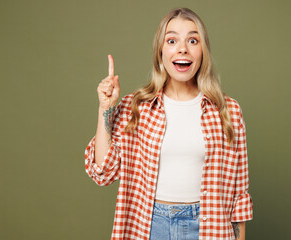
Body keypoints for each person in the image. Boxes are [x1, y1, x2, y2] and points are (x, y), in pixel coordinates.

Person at [85, 7, 253, 240]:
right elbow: (102, 171)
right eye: (172, 40)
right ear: (160, 52)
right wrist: (106, 109)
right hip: (150, 226)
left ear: (202, 51)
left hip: (208, 228)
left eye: (192, 40)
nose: (182, 48)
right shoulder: (136, 107)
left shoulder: (228, 111)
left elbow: (239, 196)